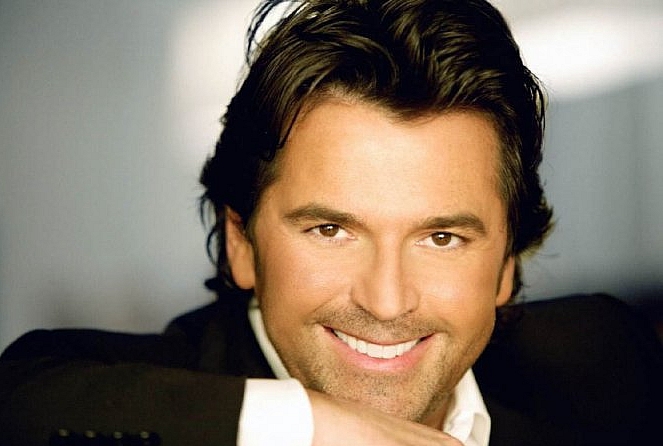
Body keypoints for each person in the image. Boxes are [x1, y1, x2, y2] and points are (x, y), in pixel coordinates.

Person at [0, 0, 660, 445]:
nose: (385, 300)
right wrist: (310, 427)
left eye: (441, 238)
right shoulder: (125, 396)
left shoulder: (604, 363)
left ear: (506, 263)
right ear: (241, 242)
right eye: (330, 231)